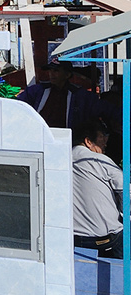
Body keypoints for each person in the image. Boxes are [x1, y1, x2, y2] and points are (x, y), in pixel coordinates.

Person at [16, 60, 118, 132]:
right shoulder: (37, 91)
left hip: (69, 141)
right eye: (50, 70)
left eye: (56, 71)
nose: (51, 74)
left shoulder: (80, 96)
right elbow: (18, 106)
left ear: (67, 74)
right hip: (39, 136)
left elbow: (105, 109)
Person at [72, 119, 123, 258]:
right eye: (102, 138)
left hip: (74, 239)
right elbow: (125, 190)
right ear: (88, 141)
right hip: (108, 238)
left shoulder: (60, 161)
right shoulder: (99, 160)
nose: (105, 143)